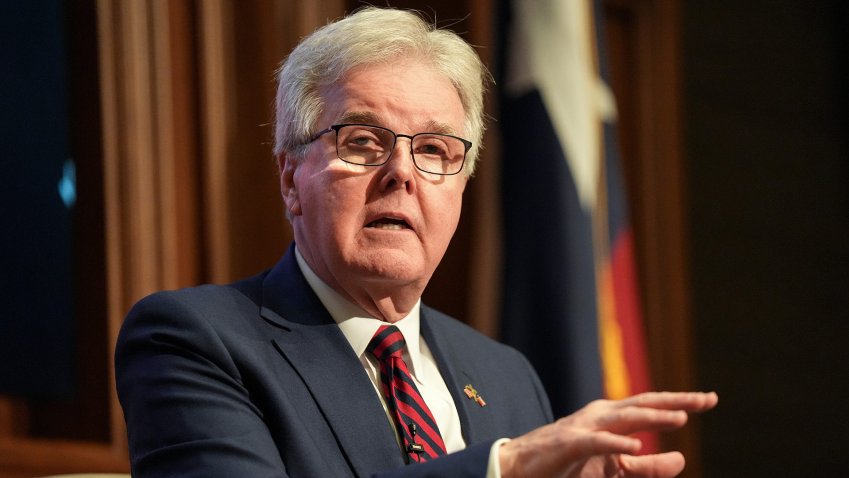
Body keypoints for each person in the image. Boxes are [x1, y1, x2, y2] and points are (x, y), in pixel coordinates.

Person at [115, 7, 717, 478]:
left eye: (434, 150)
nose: (402, 172)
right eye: (363, 141)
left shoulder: (506, 376)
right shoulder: (193, 341)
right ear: (290, 178)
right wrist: (501, 469)